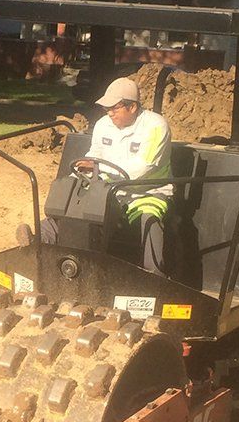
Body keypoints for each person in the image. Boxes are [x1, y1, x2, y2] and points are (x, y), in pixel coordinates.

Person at [23, 77, 173, 274]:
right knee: (72, 207)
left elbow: (141, 168)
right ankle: (37, 244)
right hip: (107, 189)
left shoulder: (155, 127)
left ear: (133, 107)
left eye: (114, 108)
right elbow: (95, 154)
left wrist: (99, 168)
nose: (109, 113)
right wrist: (82, 169)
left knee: (149, 218)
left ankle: (153, 276)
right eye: (106, 108)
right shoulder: (103, 125)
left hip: (147, 191)